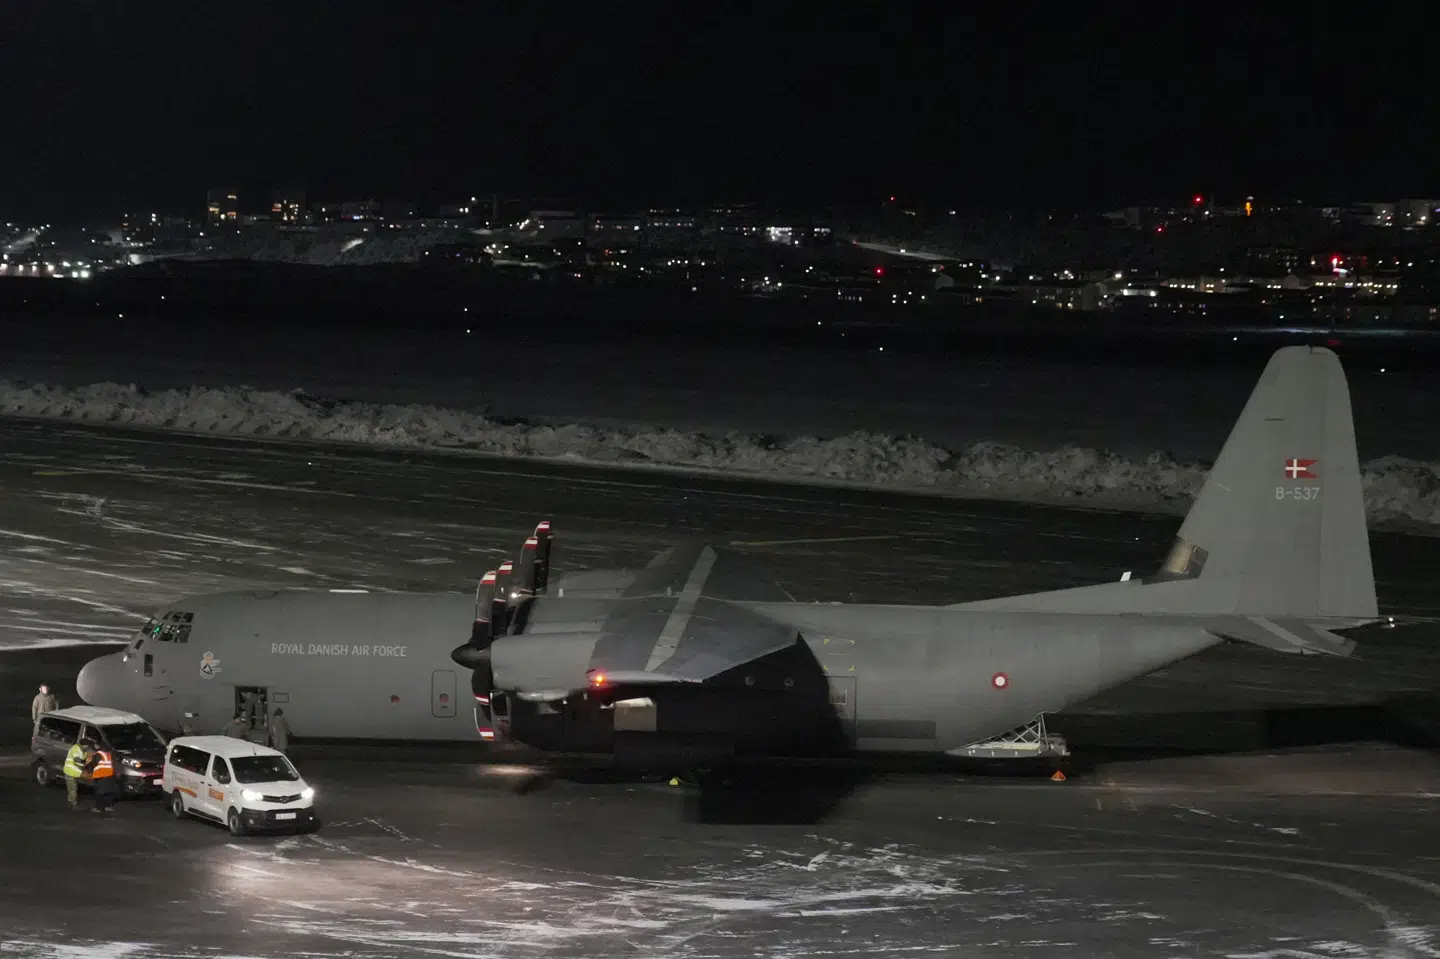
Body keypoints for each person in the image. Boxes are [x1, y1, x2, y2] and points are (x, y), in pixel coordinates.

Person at [62, 737, 90, 810]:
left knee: (72, 788)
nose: (87, 747)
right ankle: (74, 805)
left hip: (75, 772)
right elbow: (76, 760)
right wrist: (85, 764)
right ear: (83, 745)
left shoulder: (83, 750)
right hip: (70, 772)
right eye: (87, 746)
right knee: (73, 789)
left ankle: (70, 803)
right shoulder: (75, 748)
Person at [87, 746, 117, 813]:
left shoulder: (98, 754)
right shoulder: (109, 754)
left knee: (99, 793)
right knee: (108, 792)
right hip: (110, 775)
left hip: (101, 776)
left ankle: (97, 808)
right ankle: (108, 806)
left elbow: (93, 764)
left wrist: (88, 768)